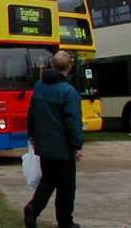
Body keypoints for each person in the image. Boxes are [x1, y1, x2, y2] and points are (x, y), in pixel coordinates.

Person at [24, 50, 84, 228]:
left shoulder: (39, 87)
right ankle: (65, 222)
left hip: (44, 146)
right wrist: (77, 145)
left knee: (48, 181)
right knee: (66, 188)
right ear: (69, 67)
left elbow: (31, 115)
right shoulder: (68, 92)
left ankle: (33, 208)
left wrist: (33, 136)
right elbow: (73, 121)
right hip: (63, 148)